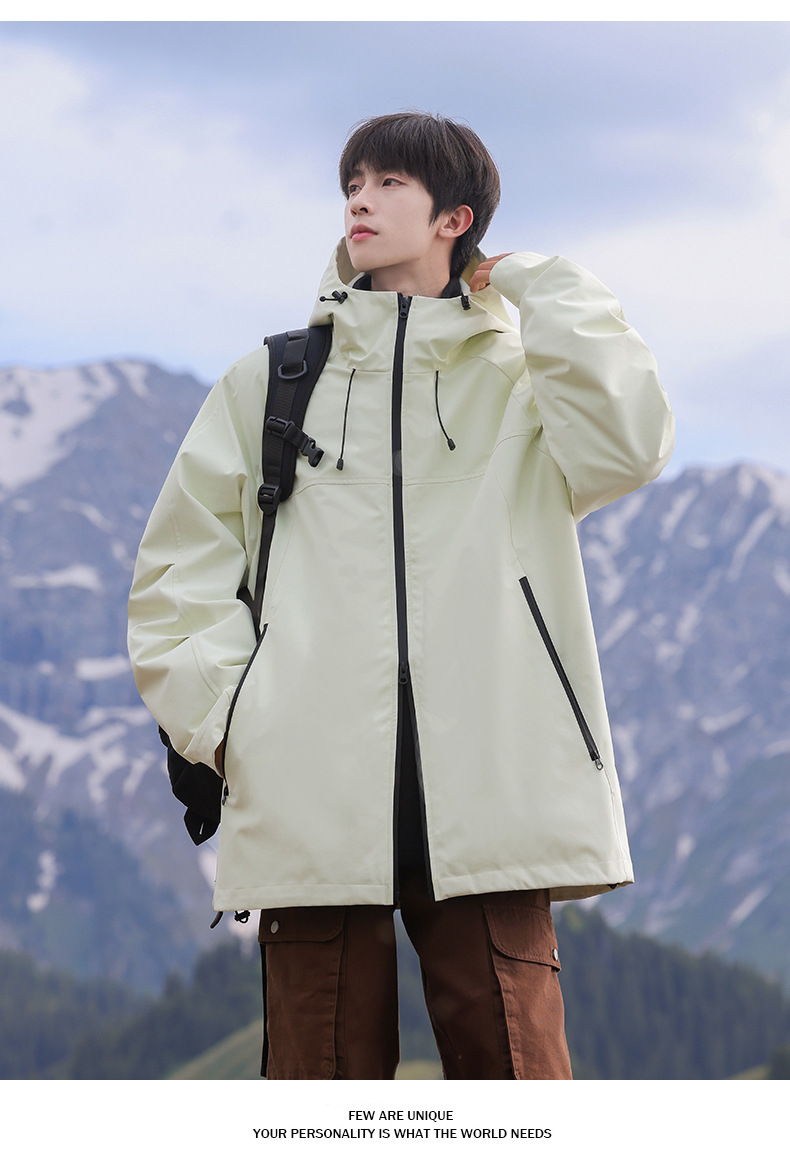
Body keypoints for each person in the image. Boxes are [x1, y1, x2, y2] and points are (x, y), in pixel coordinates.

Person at [128, 111, 674, 1080]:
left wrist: (538, 282)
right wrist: (237, 724)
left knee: (519, 1095)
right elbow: (178, 574)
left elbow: (629, 445)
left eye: (388, 183)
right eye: (352, 182)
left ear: (454, 218)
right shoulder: (271, 383)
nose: (359, 201)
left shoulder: (521, 383)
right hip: (306, 789)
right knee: (319, 1102)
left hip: (494, 784)